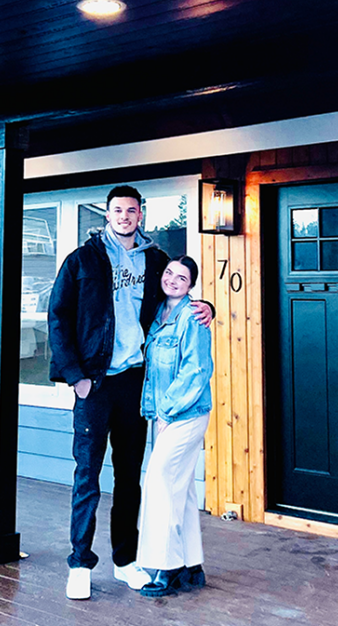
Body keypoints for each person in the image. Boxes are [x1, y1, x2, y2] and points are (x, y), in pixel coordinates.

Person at [48, 185, 212, 600]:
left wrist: (206, 306)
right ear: (105, 214)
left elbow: (175, 297)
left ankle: (124, 561)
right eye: (117, 210)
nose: (125, 216)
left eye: (132, 211)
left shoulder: (155, 260)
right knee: (87, 475)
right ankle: (80, 564)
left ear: (142, 215)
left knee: (129, 478)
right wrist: (75, 376)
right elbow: (58, 317)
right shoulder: (82, 260)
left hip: (136, 384)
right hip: (95, 383)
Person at [136, 255, 213, 597]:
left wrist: (167, 412)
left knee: (159, 482)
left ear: (191, 285)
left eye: (181, 277)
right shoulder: (158, 314)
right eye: (169, 273)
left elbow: (197, 370)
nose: (172, 280)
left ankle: (166, 566)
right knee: (181, 488)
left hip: (185, 413)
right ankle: (193, 566)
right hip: (163, 414)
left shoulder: (193, 316)